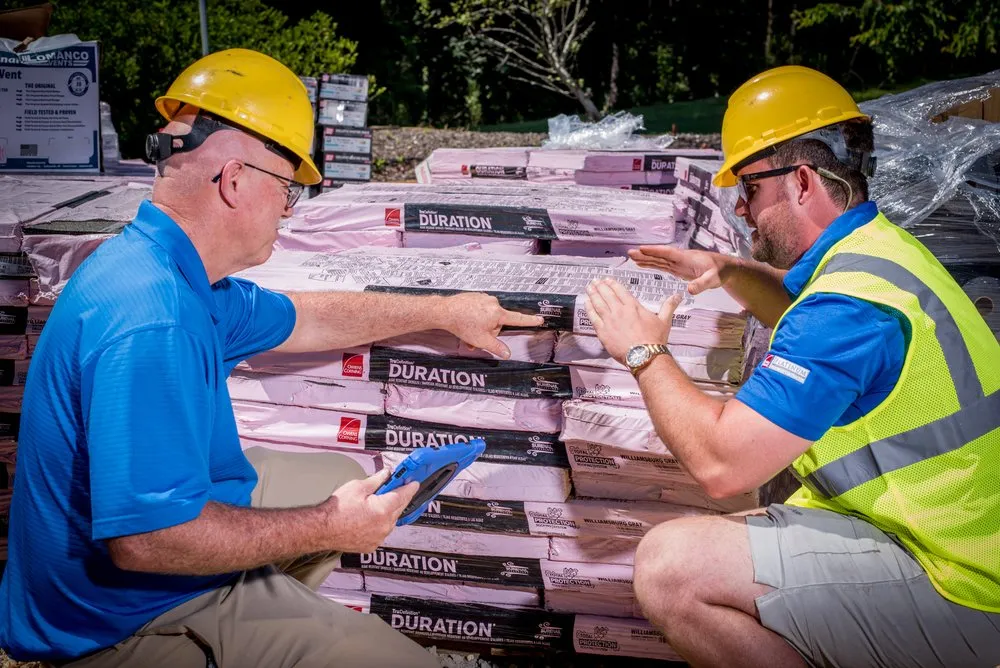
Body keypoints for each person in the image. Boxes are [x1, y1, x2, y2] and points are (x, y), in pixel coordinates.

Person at [0, 48, 542, 667]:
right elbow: (146, 542)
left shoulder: (172, 272)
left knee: (336, 481)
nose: (289, 210)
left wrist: (444, 311)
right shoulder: (153, 318)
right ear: (234, 181)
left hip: (127, 569)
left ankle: (264, 603)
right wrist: (327, 527)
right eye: (287, 190)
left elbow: (305, 316)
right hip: (116, 618)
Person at [584, 65, 1000, 667]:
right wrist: (729, 271)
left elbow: (723, 464)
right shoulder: (877, 253)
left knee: (671, 568)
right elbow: (806, 312)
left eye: (749, 189)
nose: (743, 210)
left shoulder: (850, 308)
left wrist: (643, 351)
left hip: (961, 584)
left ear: (801, 182)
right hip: (948, 540)